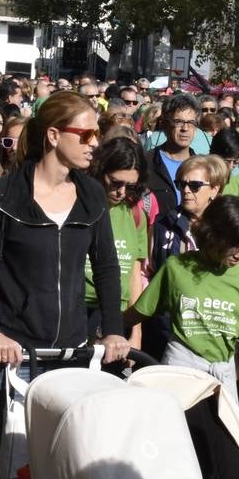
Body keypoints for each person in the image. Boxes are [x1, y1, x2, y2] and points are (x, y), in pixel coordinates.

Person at [0, 91, 130, 479]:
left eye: (98, 135)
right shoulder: (3, 195)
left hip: (72, 353)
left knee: (63, 473)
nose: (95, 145)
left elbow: (107, 269)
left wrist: (113, 330)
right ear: (53, 136)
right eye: (86, 135)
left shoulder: (90, 195)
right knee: (2, 475)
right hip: (15, 352)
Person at [126, 196, 239, 399]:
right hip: (180, 370)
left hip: (222, 375)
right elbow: (140, 312)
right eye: (235, 247)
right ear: (213, 236)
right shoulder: (177, 267)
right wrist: (107, 331)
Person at [86, 138, 148, 344]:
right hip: (79, 311)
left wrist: (136, 332)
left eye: (130, 185)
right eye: (115, 182)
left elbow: (134, 274)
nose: (121, 191)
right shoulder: (80, 205)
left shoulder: (135, 213)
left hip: (117, 316)